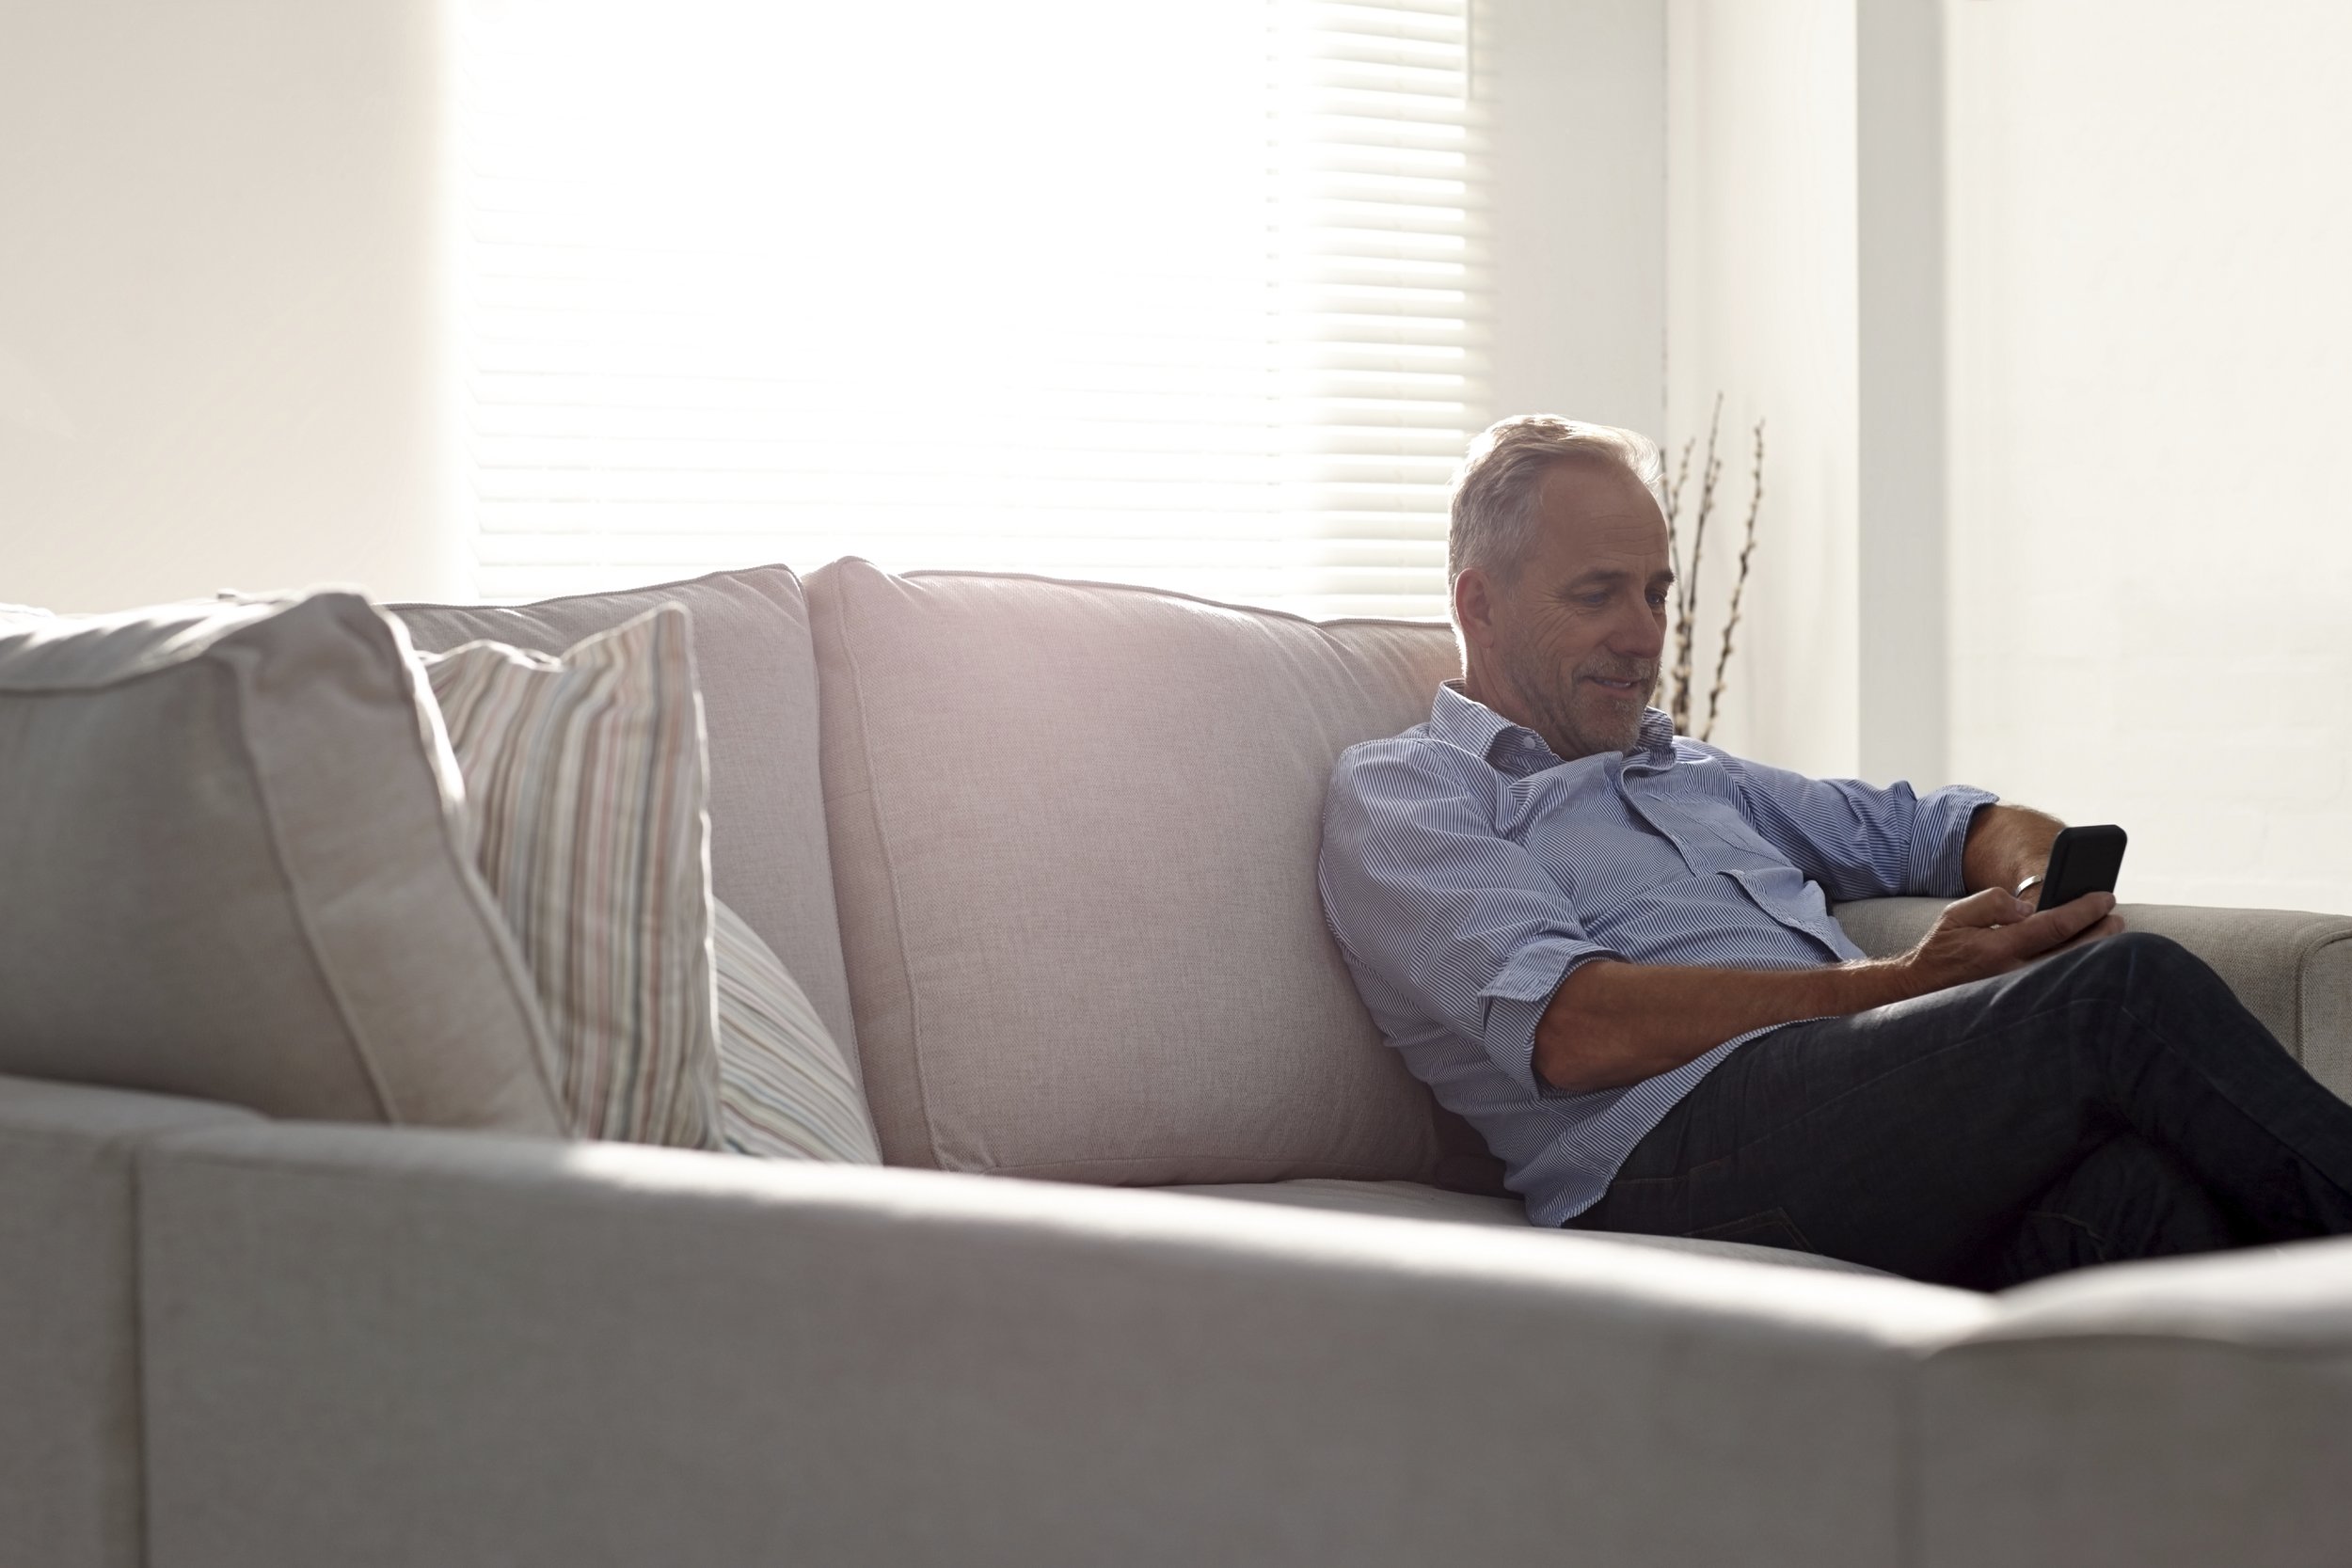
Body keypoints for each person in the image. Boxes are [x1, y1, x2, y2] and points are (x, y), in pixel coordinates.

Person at [1317, 413, 2352, 1288]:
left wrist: (2035, 893)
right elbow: (1572, 1028)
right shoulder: (1411, 791)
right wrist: (1900, 984)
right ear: (1477, 604)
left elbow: (1948, 826)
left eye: (1656, 591)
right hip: (1661, 1161)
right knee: (2116, 992)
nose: (1642, 633)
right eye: (1597, 595)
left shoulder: (1689, 772)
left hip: (1841, 1110)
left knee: (2136, 1197)